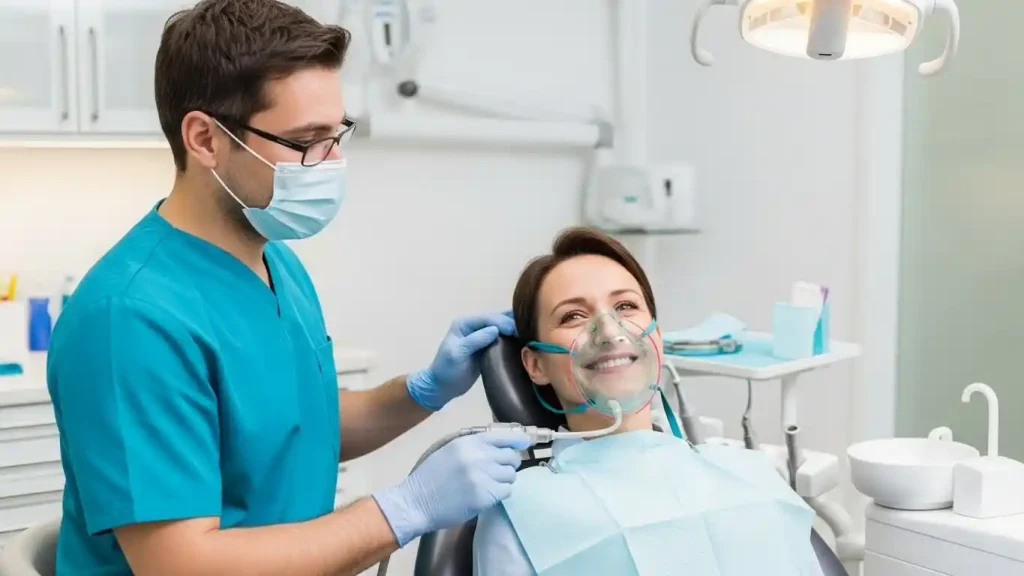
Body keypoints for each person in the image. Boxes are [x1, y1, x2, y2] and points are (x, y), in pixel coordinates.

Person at [45, 1, 530, 574]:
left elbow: (293, 431)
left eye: (336, 133)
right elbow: (181, 564)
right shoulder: (129, 319)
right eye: (307, 141)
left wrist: (424, 390)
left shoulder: (273, 259)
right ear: (204, 139)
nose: (331, 161)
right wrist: (405, 508)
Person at [472, 227, 824, 575]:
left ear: (656, 336)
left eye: (625, 306)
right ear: (536, 364)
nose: (610, 332)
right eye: (573, 316)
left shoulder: (750, 473)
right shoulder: (520, 512)